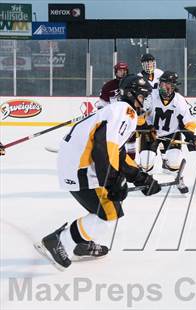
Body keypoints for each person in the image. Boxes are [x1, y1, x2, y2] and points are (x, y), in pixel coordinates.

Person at [34, 75, 160, 271]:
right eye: (143, 97)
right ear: (131, 95)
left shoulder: (119, 111)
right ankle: (60, 242)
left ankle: (80, 242)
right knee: (108, 216)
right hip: (81, 167)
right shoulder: (125, 112)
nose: (145, 101)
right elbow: (102, 147)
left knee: (108, 209)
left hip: (78, 164)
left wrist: (141, 178)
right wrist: (112, 181)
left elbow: (117, 153)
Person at [139, 71, 196, 194]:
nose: (163, 87)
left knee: (174, 162)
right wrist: (145, 127)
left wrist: (191, 137)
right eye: (162, 84)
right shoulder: (151, 96)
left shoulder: (180, 101)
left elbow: (188, 122)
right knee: (145, 161)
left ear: (173, 87)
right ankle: (146, 180)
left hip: (171, 134)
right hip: (151, 133)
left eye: (167, 85)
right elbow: (140, 114)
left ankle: (178, 177)